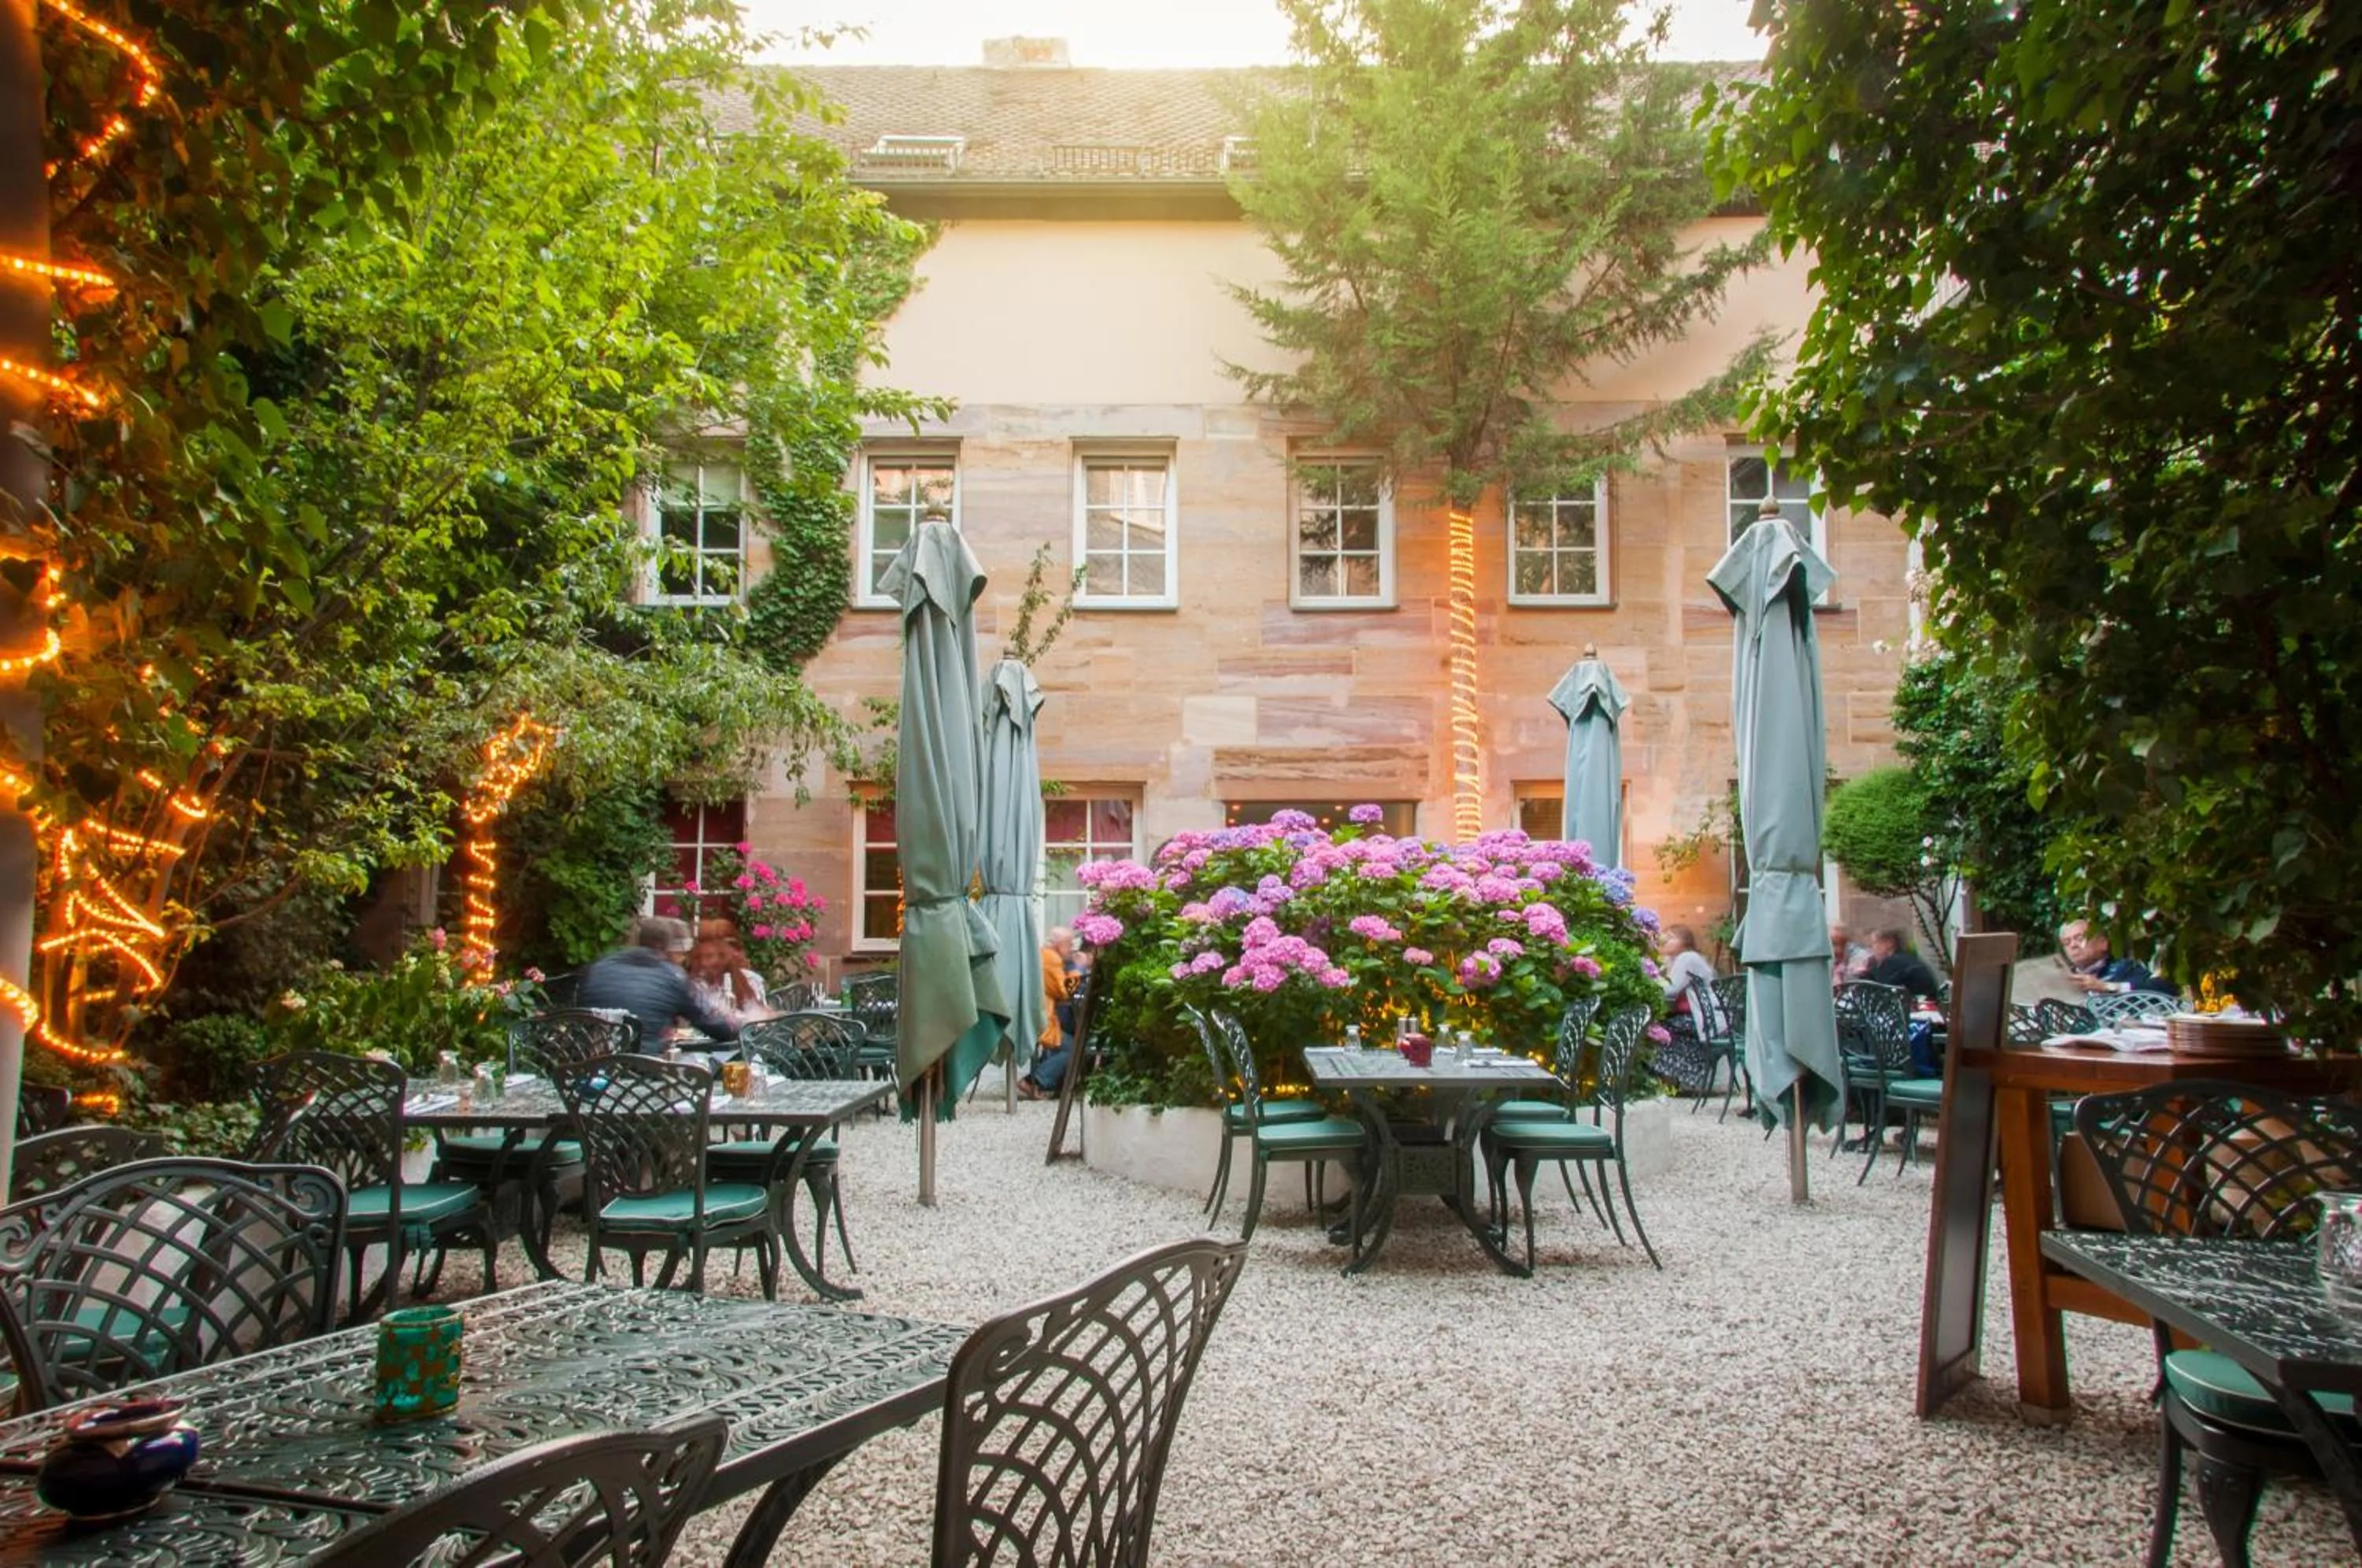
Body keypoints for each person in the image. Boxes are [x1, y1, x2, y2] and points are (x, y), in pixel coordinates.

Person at [577, 915, 739, 1048]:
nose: (682, 959)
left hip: (593, 1065)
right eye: (680, 953)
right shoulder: (671, 975)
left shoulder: (598, 967)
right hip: (643, 1070)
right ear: (665, 947)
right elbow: (711, 1025)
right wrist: (739, 1028)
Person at [1019, 926, 1076, 1101]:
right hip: (1042, 1019)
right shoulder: (1052, 959)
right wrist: (1078, 970)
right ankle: (1034, 1081)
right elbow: (1065, 991)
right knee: (1072, 1047)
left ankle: (1043, 1082)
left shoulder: (1042, 955)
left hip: (1034, 1016)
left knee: (1062, 1043)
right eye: (1070, 944)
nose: (1072, 949)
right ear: (1059, 946)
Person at [2059, 919, 2176, 996]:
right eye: (2067, 942)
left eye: (2080, 938)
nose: (2073, 946)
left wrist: (2106, 986)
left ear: (2103, 943)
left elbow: (2164, 989)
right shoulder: (2063, 978)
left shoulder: (2124, 968)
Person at [1863, 928, 1943, 1003]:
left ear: (1889, 943)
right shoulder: (1909, 959)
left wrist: (1867, 970)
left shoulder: (1892, 963)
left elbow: (1878, 993)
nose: (1873, 948)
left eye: (1874, 943)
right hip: (1928, 1006)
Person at [1830, 923, 1872, 988]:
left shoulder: (1860, 956)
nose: (1832, 948)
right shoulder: (1833, 959)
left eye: (1835, 943)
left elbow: (1852, 983)